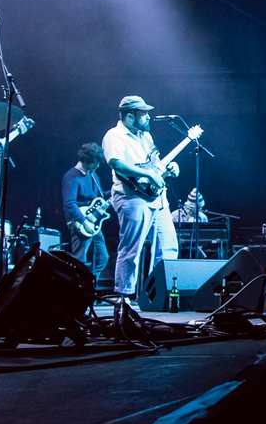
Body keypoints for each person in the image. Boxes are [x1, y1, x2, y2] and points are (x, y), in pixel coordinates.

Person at [101, 95, 179, 301]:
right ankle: (123, 297)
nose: (148, 118)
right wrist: (147, 174)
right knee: (131, 249)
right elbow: (116, 163)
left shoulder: (146, 137)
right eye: (143, 114)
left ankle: (160, 295)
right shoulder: (114, 135)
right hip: (131, 198)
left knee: (168, 246)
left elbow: (154, 166)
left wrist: (167, 169)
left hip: (157, 198)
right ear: (129, 116)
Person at [62, 143, 110, 280]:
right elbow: (70, 203)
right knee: (79, 260)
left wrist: (115, 190)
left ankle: (88, 287)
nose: (98, 166)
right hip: (79, 223)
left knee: (103, 257)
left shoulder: (92, 175)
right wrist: (84, 221)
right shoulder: (71, 177)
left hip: (93, 223)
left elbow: (100, 197)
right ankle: (76, 293)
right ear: (87, 160)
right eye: (96, 162)